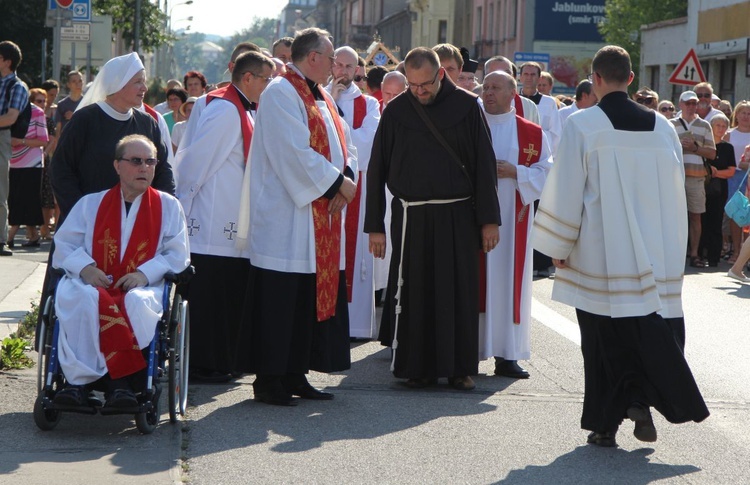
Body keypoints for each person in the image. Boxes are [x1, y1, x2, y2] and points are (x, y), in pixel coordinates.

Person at [533, 45, 709, 448]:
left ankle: (605, 423)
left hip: (603, 253)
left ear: (594, 80)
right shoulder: (664, 128)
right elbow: (675, 195)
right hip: (652, 252)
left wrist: (558, 245)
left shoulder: (582, 124)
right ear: (631, 79)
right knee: (646, 332)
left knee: (601, 341)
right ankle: (641, 401)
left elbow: (566, 191)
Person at [365, 47, 500, 391]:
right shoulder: (396, 111)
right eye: (413, 85)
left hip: (457, 214)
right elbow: (377, 169)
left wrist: (489, 220)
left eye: (424, 84)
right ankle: (416, 367)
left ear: (441, 75)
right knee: (414, 291)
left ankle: (458, 369)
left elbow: (485, 166)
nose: (419, 91)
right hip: (411, 216)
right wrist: (375, 227)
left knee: (457, 290)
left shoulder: (468, 107)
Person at [238, 28, 358, 406]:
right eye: (331, 58)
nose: (336, 66)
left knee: (305, 301)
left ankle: (296, 373)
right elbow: (293, 152)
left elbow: (345, 142)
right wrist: (338, 183)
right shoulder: (280, 92)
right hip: (287, 218)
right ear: (312, 58)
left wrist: (348, 174)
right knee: (280, 302)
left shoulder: (320, 93)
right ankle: (270, 379)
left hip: (318, 217)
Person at [50, 134, 189, 409]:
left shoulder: (169, 206)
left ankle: (123, 385)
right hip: (92, 281)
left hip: (142, 285)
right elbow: (64, 244)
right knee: (83, 298)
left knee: (136, 302)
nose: (144, 168)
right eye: (136, 161)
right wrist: (86, 268)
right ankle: (77, 383)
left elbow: (178, 253)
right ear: (117, 165)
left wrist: (144, 274)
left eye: (150, 162)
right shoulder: (91, 203)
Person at [175, 51, 273, 383]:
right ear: (248, 78)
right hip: (213, 222)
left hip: (235, 219)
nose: (268, 85)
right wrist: (180, 213)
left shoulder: (246, 107)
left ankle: (225, 358)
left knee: (229, 293)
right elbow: (195, 164)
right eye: (265, 79)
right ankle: (205, 362)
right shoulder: (224, 109)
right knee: (213, 296)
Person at [479, 71, 552, 379]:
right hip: (475, 220)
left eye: (496, 87)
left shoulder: (532, 133)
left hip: (514, 221)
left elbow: (547, 173)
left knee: (510, 282)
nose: (489, 92)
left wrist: (516, 172)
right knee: (476, 283)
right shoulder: (471, 125)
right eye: (485, 87)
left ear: (513, 93)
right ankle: (469, 351)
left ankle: (507, 356)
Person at [50, 52, 174, 223]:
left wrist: (165, 211)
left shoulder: (148, 123)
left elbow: (163, 171)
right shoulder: (85, 120)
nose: (144, 88)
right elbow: (61, 170)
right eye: (138, 82)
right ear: (118, 84)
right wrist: (80, 214)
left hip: (137, 222)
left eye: (144, 82)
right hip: (89, 221)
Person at [327, 46, 380, 339]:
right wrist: (331, 102)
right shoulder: (320, 98)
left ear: (358, 70)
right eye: (339, 65)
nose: (344, 72)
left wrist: (335, 119)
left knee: (356, 253)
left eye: (350, 67)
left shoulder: (369, 104)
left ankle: (355, 326)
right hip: (326, 186)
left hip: (357, 186)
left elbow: (367, 146)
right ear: (332, 66)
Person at [670, 90, 716, 269]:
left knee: (696, 216)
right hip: (675, 176)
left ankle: (694, 253)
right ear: (680, 104)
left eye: (693, 103)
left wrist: (695, 148)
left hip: (696, 177)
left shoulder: (704, 125)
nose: (691, 106)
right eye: (687, 103)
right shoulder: (670, 124)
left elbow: (712, 153)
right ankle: (675, 252)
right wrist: (678, 147)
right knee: (673, 216)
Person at [8, 88, 49, 247]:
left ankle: (10, 235)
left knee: (26, 198)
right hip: (13, 161)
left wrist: (21, 141)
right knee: (18, 197)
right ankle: (33, 234)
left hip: (32, 163)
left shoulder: (37, 112)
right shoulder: (10, 112)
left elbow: (43, 140)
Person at [0, 40, 29, 257]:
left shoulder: (17, 86)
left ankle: (1, 240)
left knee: (0, 191)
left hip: (2, 138)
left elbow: (11, 117)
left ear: (6, 61)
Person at [699, 114, 735, 267]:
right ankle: (699, 254)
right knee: (701, 220)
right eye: (717, 125)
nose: (720, 129)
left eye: (723, 126)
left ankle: (714, 257)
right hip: (702, 186)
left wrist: (715, 173)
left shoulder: (727, 147)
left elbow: (731, 171)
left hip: (719, 189)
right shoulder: (704, 145)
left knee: (716, 222)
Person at [725, 100, 750, 264]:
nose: (746, 116)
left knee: (749, 216)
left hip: (749, 177)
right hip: (734, 177)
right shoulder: (729, 134)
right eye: (744, 113)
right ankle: (736, 251)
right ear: (737, 114)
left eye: (749, 114)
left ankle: (746, 256)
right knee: (735, 214)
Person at [518, 61, 562, 152]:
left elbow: (556, 133)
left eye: (533, 74)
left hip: (541, 151)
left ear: (539, 78)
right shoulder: (513, 101)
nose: (529, 77)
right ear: (520, 77)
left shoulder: (549, 103)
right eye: (526, 74)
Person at [54, 70, 84, 136]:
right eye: (74, 81)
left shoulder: (88, 103)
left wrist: (74, 116)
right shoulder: (62, 104)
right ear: (68, 85)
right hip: (67, 141)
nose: (77, 84)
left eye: (80, 81)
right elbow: (58, 129)